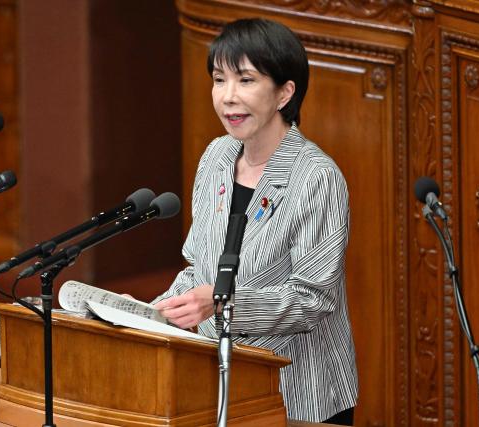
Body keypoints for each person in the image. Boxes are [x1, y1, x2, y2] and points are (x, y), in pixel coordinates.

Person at [152, 18, 358, 424]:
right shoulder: (216, 157)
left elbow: (312, 300)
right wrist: (152, 313)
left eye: (245, 80)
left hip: (299, 391)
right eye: (219, 79)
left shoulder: (317, 177)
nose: (228, 97)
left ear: (284, 92)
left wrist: (222, 305)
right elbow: (199, 266)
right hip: (214, 383)